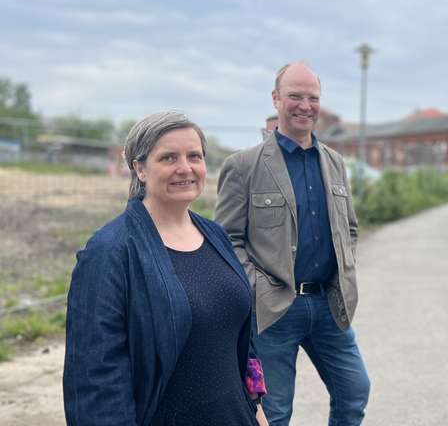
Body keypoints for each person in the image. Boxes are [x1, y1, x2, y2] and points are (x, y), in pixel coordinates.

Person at [63, 110, 268, 425]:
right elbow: (95, 378)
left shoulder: (215, 236)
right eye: (169, 158)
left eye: (194, 156)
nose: (185, 168)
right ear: (140, 169)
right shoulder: (110, 253)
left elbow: (241, 342)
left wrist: (256, 408)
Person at [215, 61, 370, 426]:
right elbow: (227, 241)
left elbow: (349, 228)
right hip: (274, 311)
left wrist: (342, 268)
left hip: (329, 304)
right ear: (275, 99)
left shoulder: (334, 162)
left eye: (312, 97)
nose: (305, 105)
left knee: (354, 393)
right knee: (274, 412)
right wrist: (258, 287)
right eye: (294, 96)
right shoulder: (245, 165)